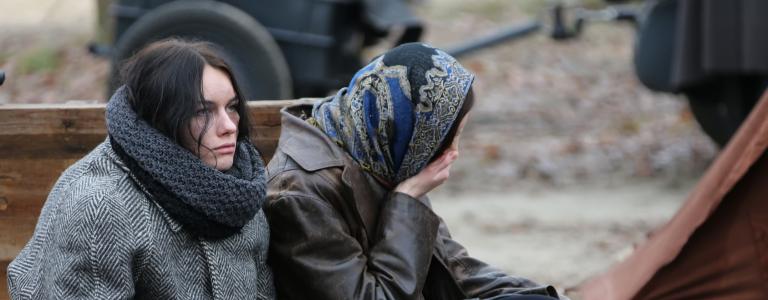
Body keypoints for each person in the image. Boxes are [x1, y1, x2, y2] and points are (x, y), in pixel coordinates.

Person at [265, 43, 565, 299]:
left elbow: (452, 267)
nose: (454, 152)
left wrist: (535, 295)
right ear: (417, 135)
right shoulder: (300, 195)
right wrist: (407, 201)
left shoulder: (378, 145)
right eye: (449, 139)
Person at [6, 39, 274, 299]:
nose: (229, 126)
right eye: (203, 111)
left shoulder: (240, 189)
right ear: (162, 119)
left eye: (232, 107)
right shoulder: (101, 207)